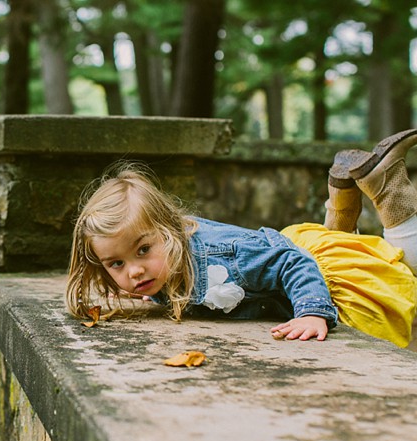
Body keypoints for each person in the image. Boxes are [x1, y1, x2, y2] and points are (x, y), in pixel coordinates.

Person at [66, 129, 417, 348]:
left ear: (169, 231)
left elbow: (291, 262)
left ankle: (390, 190)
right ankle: (341, 199)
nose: (135, 271)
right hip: (304, 257)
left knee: (403, 269)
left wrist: (313, 313)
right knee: (349, 249)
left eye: (143, 250)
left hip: (317, 278)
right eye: (117, 263)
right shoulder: (161, 268)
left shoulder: (228, 256)